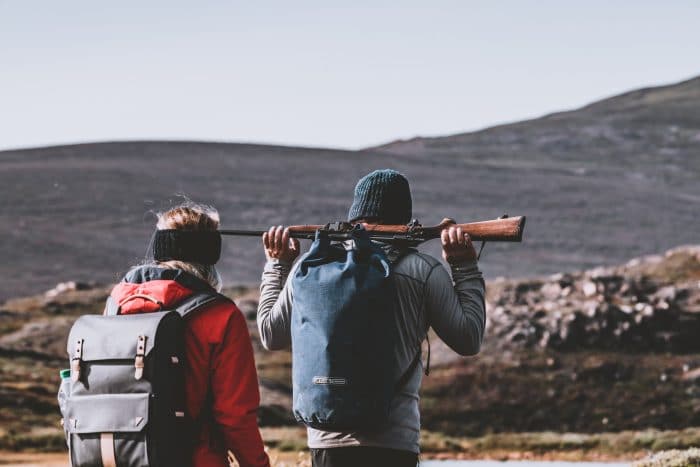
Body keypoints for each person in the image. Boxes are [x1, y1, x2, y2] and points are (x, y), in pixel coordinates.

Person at [257, 169, 486, 467]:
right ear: (406, 219)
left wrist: (277, 265)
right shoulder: (422, 270)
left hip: (326, 439)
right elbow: (468, 339)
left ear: (354, 217)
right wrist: (464, 266)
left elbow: (270, 335)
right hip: (393, 442)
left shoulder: (312, 268)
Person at [110, 202, 270, 467]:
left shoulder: (117, 305)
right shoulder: (221, 315)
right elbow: (235, 416)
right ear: (210, 255)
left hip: (123, 457)